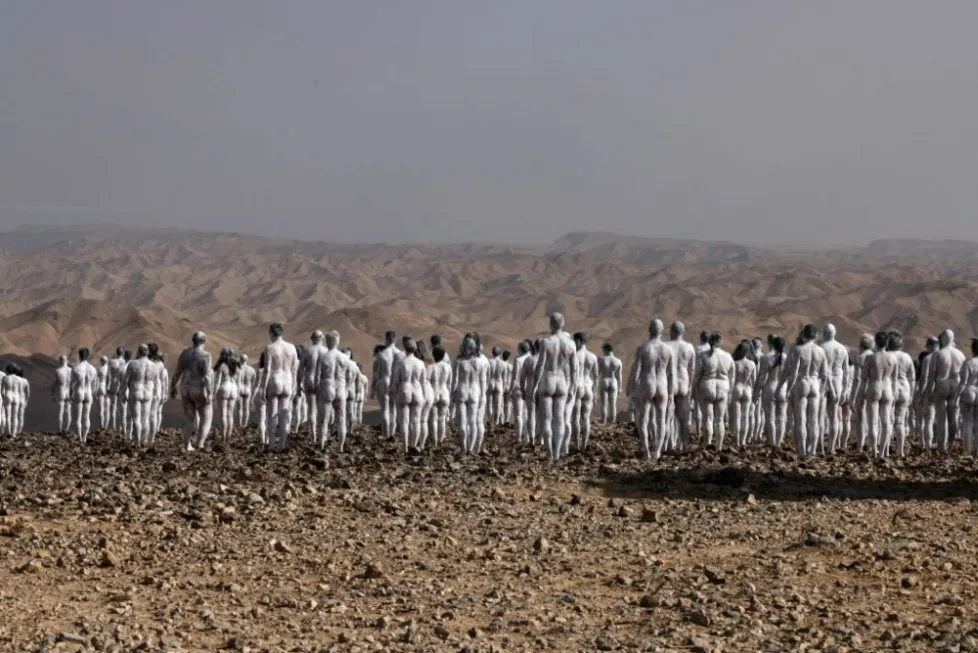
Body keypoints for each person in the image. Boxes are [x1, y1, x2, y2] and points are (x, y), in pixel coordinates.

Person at [533, 313, 580, 461]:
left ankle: (550, 453)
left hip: (548, 380)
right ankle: (557, 452)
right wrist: (573, 387)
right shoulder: (571, 344)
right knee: (559, 418)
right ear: (563, 323)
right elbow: (575, 369)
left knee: (547, 419)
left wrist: (535, 386)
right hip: (561, 382)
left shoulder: (546, 342)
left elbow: (540, 366)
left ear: (550, 324)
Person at [170, 331, 214, 452]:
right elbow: (207, 376)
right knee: (206, 417)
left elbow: (178, 371)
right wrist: (210, 392)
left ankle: (187, 445)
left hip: (185, 388)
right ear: (205, 341)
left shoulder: (185, 353)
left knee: (189, 417)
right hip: (199, 388)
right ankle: (200, 443)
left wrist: (173, 386)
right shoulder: (206, 355)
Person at [70, 347, 98, 444]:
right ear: (88, 355)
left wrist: (70, 393)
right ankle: (84, 437)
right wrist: (94, 394)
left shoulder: (76, 368)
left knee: (77, 418)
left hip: (79, 392)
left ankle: (79, 438)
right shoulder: (93, 369)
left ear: (79, 356)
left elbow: (71, 384)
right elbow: (95, 385)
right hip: (88, 392)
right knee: (86, 417)